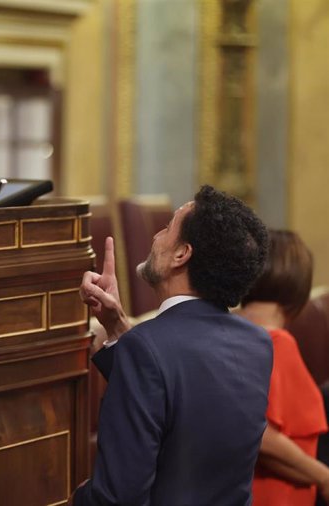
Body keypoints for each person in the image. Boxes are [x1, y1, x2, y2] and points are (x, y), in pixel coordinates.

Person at [71, 185, 272, 505]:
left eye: (167, 228)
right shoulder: (258, 343)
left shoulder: (148, 349)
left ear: (182, 253)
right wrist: (117, 326)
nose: (155, 237)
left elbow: (118, 498)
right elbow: (186, 406)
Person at [238, 229, 329, 505]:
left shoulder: (227, 332)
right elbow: (259, 435)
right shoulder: (276, 342)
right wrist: (323, 477)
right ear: (298, 289)